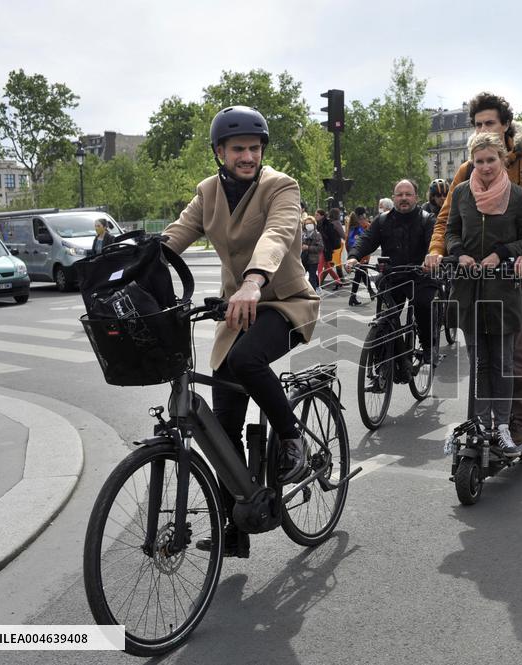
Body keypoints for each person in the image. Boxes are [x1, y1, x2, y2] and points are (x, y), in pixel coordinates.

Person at [161, 105, 320, 557]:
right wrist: (128, 265)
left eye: (254, 148)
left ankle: (292, 438)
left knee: (248, 360)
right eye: (238, 149)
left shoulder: (280, 187)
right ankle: (235, 528)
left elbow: (277, 235)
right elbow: (174, 237)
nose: (247, 156)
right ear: (220, 152)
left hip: (284, 302)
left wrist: (253, 281)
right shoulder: (207, 192)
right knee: (221, 429)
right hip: (237, 313)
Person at [424, 91, 522, 446]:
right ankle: (482, 422)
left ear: (506, 126)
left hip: (514, 274)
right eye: (477, 124)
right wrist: (438, 251)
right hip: (474, 279)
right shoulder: (466, 171)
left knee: (515, 352)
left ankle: (519, 424)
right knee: (480, 356)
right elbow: (446, 221)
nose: (483, 129)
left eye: (490, 123)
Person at [443, 132, 522, 454]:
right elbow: (451, 231)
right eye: (479, 161)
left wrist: (501, 253)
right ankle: (481, 424)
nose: (485, 167)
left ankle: (502, 427)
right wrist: (459, 254)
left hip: (503, 290)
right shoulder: (461, 193)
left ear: (502, 159)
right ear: (472, 162)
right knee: (479, 363)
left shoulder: (518, 196)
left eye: (491, 160)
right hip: (469, 289)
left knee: (503, 363)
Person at [345, 179, 439, 365]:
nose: (404, 198)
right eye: (400, 194)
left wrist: (431, 259)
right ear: (394, 197)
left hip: (420, 276)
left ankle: (428, 346)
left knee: (423, 305)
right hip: (392, 276)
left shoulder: (427, 219)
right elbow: (367, 240)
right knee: (385, 318)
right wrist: (354, 256)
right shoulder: (382, 220)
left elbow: (434, 244)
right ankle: (382, 361)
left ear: (416, 197)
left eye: (408, 194)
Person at [346, 207, 376, 305]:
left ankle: (370, 291)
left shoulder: (351, 224)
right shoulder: (363, 224)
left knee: (362, 272)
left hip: (354, 253)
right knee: (359, 274)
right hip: (362, 254)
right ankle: (353, 297)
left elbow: (347, 239)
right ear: (362, 215)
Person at [316, 208, 344, 290]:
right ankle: (338, 281)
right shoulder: (318, 224)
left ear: (322, 216)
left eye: (317, 215)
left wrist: (328, 246)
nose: (315, 216)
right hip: (322, 247)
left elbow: (331, 237)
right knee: (327, 267)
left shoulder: (327, 224)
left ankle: (318, 286)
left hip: (325, 248)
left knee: (320, 267)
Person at [300, 212, 323, 293]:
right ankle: (317, 286)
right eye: (307, 224)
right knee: (301, 275)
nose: (308, 225)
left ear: (314, 224)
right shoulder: (303, 234)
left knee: (312, 277)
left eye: (310, 223)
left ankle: (313, 293)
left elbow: (320, 247)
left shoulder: (317, 234)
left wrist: (308, 247)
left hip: (313, 259)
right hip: (304, 258)